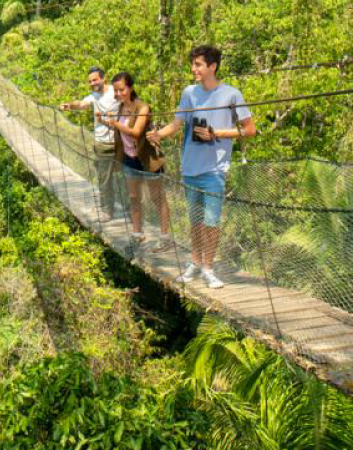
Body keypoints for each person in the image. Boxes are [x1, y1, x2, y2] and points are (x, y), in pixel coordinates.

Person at [147, 44, 255, 288]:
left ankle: (208, 266)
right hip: (190, 168)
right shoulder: (189, 93)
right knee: (195, 219)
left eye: (198, 64)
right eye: (193, 64)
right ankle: (195, 262)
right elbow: (177, 124)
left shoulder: (231, 95)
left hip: (215, 170)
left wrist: (216, 133)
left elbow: (249, 129)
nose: (193, 69)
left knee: (211, 221)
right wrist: (158, 135)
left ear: (212, 66)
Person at [103, 71, 168, 241]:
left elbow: (136, 133)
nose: (118, 94)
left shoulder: (143, 108)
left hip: (148, 160)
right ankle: (137, 233)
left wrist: (114, 123)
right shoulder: (119, 108)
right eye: (116, 91)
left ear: (130, 88)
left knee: (157, 198)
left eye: (122, 90)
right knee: (133, 197)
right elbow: (120, 132)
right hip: (129, 159)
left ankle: (165, 236)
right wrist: (107, 122)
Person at [58, 66, 123, 220]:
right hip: (102, 143)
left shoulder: (116, 92)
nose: (92, 83)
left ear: (103, 78)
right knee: (104, 178)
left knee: (124, 177)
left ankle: (113, 209)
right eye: (90, 81)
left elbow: (128, 107)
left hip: (121, 141)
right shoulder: (94, 96)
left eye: (95, 80)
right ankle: (107, 210)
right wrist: (70, 105)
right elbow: (81, 104)